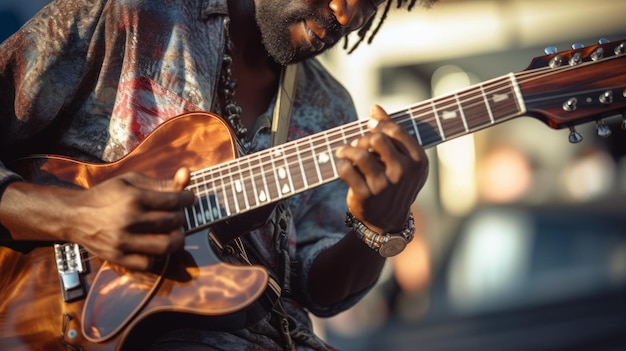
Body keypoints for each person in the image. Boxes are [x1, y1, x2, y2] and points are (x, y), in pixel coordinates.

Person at [0, 0, 434, 350]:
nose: (348, 13)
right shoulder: (129, 15)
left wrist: (376, 231)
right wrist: (74, 216)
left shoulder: (331, 111)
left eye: (373, 2)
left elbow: (318, 291)